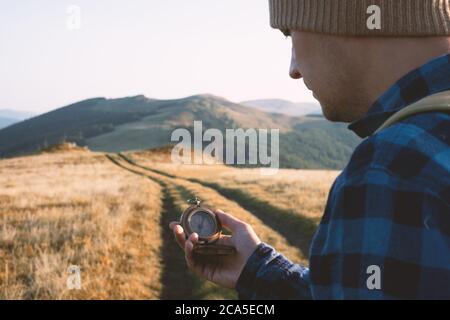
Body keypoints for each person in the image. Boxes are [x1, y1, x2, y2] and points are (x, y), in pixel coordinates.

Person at [170, 0, 450, 299]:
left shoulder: (393, 166)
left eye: (290, 34)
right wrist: (257, 270)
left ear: (344, 20)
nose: (293, 69)